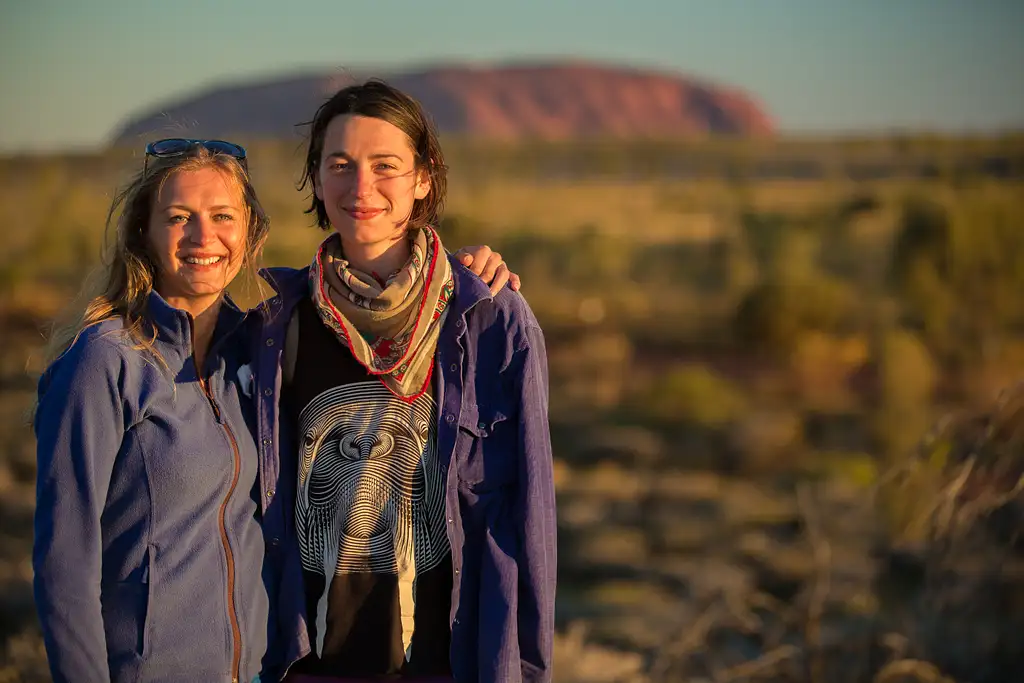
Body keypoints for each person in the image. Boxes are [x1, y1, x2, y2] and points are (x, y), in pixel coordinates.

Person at [32, 138, 517, 683]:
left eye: (222, 216)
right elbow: (63, 565)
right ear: (144, 231)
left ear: (250, 231)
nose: (202, 238)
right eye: (178, 217)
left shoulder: (256, 350)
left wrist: (464, 273)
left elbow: (370, 317)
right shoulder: (106, 362)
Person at [250, 80, 556, 683]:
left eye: (385, 166)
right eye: (339, 165)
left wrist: (525, 669)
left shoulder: (489, 319)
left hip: (449, 663)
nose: (360, 187)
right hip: (309, 665)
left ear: (423, 178)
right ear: (315, 178)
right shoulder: (272, 324)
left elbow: (533, 517)